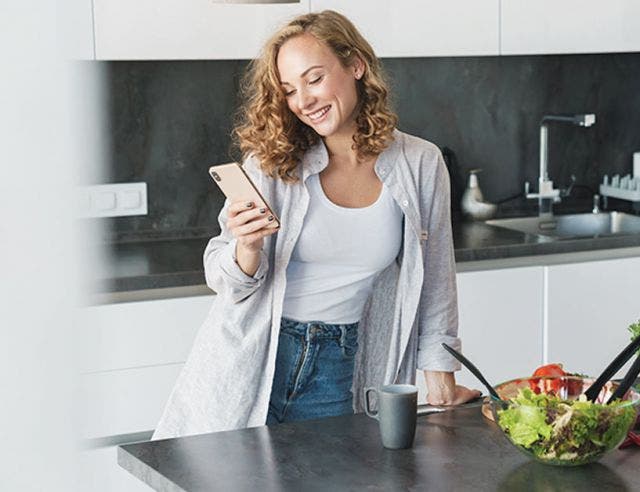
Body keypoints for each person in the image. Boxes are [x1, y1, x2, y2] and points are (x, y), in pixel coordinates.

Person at [153, 10, 480, 439]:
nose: (303, 101)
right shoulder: (272, 162)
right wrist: (246, 248)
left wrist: (441, 371)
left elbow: (436, 277)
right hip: (256, 358)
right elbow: (225, 281)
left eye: (314, 79)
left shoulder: (419, 162)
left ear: (356, 66)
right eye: (289, 90)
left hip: (341, 364)